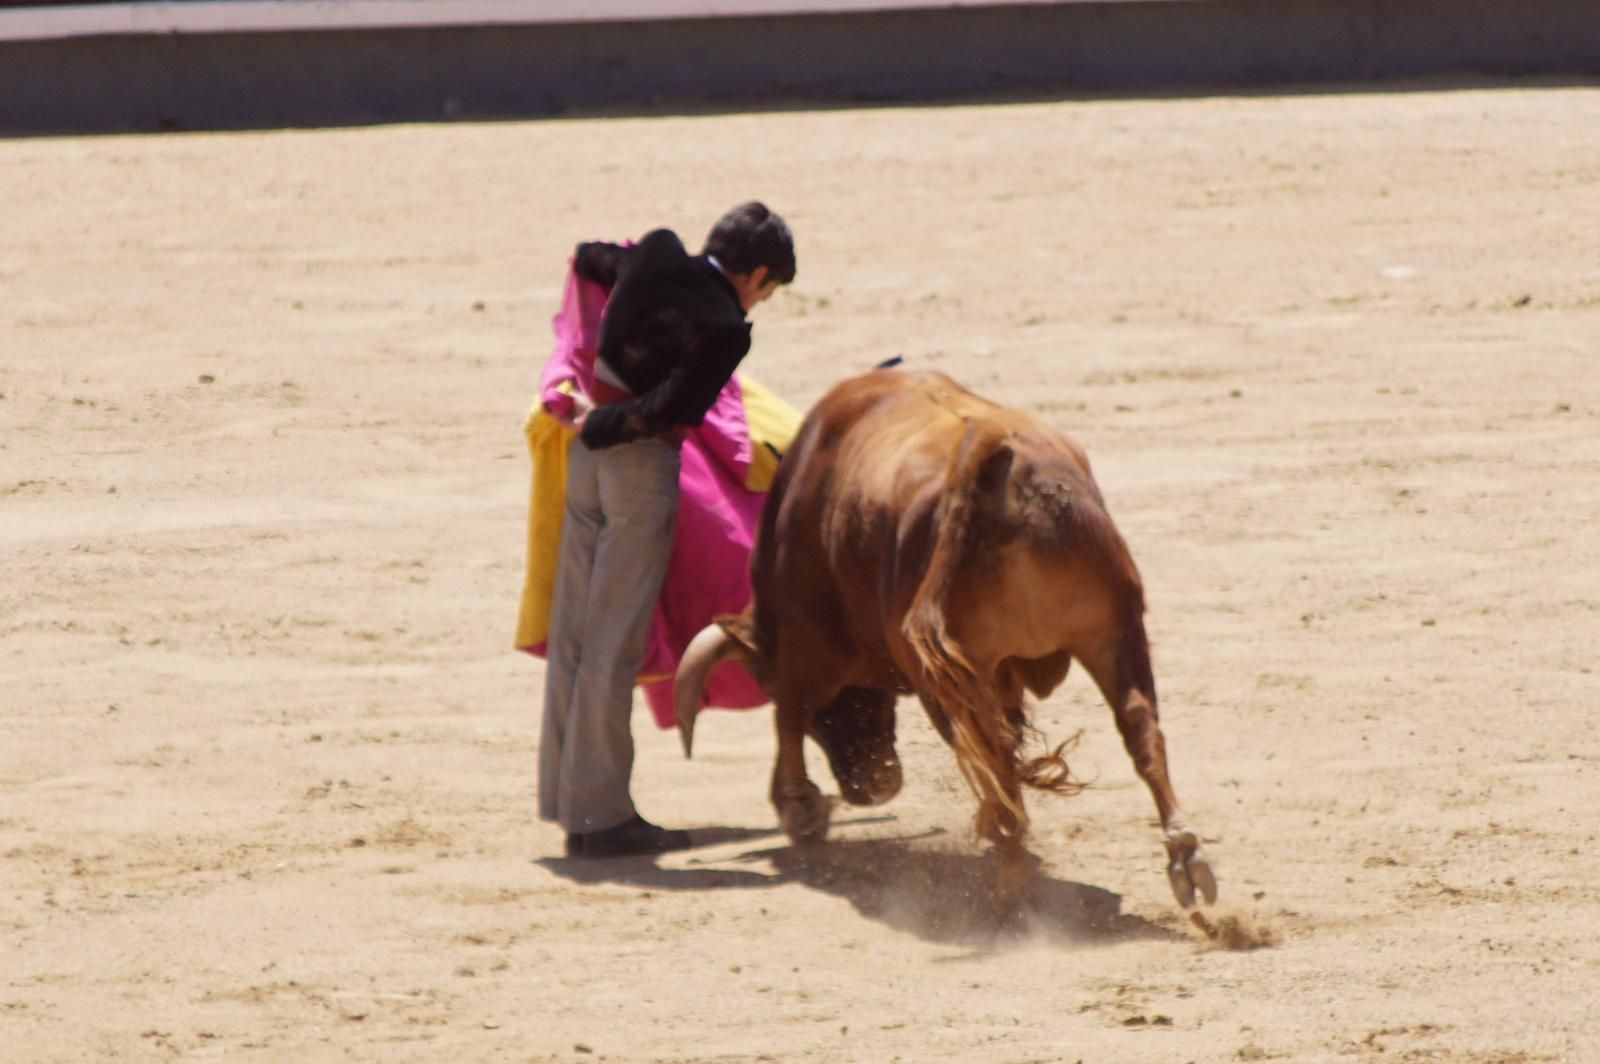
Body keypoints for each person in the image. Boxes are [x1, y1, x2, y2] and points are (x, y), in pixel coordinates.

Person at [538, 202, 797, 859]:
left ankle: (568, 799)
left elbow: (591, 254)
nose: (761, 301)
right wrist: (603, 425)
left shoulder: (652, 252)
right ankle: (598, 820)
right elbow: (668, 410)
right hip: (633, 472)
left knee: (576, 628)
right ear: (756, 274)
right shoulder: (724, 328)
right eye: (768, 289)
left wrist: (585, 403)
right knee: (612, 642)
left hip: (584, 469)